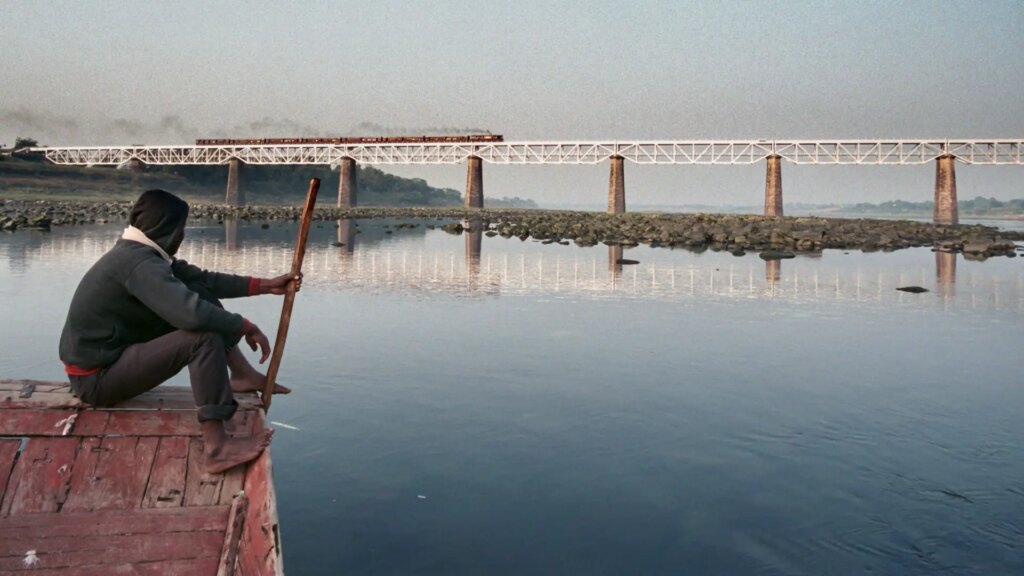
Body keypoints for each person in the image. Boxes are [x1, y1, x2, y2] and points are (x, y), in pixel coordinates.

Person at [59, 189, 298, 473]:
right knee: (202, 337)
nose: (182, 237)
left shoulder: (143, 252)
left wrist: (264, 285)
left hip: (114, 357)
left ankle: (242, 374)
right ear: (168, 230)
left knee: (197, 291)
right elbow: (192, 315)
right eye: (181, 229)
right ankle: (217, 448)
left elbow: (202, 280)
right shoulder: (140, 264)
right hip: (97, 380)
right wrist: (244, 325)